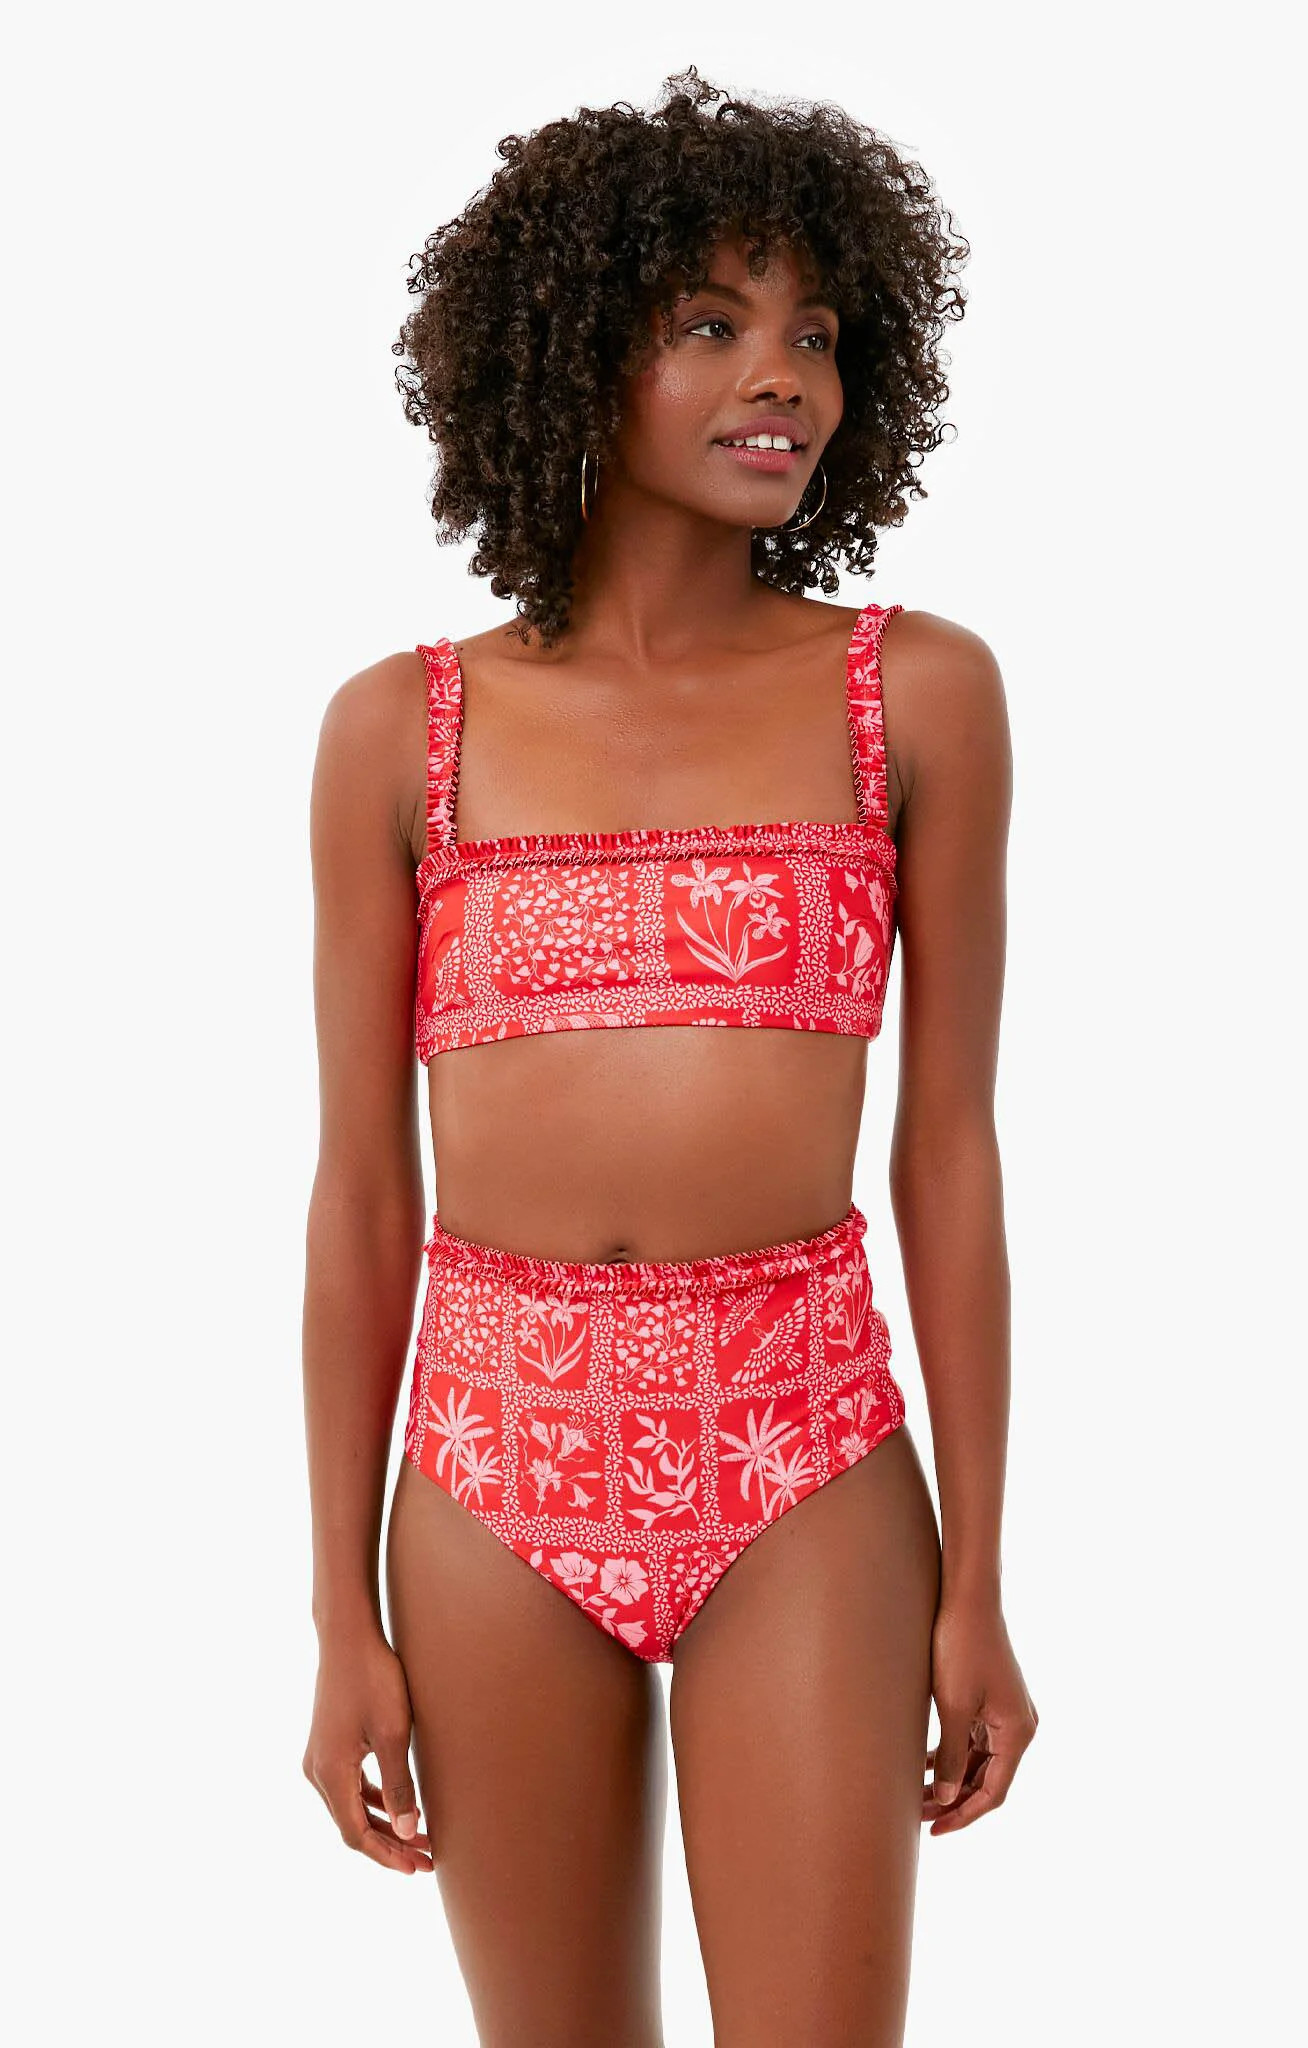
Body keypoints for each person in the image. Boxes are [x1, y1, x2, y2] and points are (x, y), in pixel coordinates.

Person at [302, 69, 1037, 2047]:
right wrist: (336, 1608)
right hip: (486, 1463)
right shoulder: (401, 731)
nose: (779, 374)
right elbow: (362, 1188)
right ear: (563, 357)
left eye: (814, 330)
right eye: (710, 324)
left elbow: (949, 1152)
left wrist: (976, 1578)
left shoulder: (913, 695)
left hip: (800, 1449)